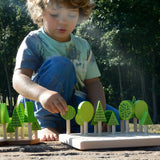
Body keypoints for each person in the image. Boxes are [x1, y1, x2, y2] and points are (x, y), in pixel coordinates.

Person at [13, 0, 119, 141]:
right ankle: (46, 125)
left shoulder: (83, 46)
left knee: (116, 120)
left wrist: (99, 112)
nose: (63, 21)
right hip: (42, 104)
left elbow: (93, 83)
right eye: (55, 14)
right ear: (41, 11)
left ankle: (72, 128)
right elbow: (19, 79)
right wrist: (42, 94)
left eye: (71, 15)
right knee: (61, 64)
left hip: (75, 106)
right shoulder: (35, 41)